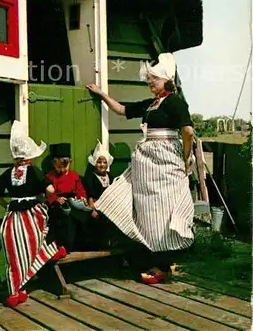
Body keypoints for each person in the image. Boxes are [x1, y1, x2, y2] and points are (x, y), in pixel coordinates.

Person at [86, 53, 195, 284]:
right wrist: (102, 94)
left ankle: (164, 266)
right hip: (146, 165)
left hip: (165, 163)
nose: (149, 82)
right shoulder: (151, 104)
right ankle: (151, 260)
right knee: (147, 212)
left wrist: (186, 158)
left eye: (153, 78)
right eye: (148, 78)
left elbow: (188, 131)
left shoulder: (175, 101)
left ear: (166, 79)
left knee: (164, 212)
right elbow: (122, 110)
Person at [0, 120, 63, 307]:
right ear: (29, 155)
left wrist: (6, 204)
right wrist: (44, 201)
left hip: (13, 216)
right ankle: (51, 254)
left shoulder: (8, 173)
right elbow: (52, 190)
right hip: (32, 214)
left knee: (15, 251)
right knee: (39, 239)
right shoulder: (35, 171)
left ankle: (15, 290)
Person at [46, 143, 90, 253]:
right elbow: (47, 193)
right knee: (67, 221)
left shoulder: (74, 176)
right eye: (59, 167)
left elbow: (80, 189)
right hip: (60, 205)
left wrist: (82, 197)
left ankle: (85, 244)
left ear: (70, 162)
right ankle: (66, 247)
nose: (62, 170)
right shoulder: (50, 177)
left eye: (64, 167)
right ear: (53, 164)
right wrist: (55, 199)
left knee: (85, 217)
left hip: (73, 202)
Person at [83, 141, 116, 248]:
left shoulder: (110, 176)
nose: (102, 165)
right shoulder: (91, 177)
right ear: (94, 163)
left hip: (109, 206)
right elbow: (90, 197)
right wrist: (92, 209)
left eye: (104, 162)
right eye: (99, 162)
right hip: (97, 207)